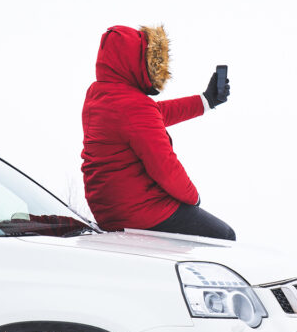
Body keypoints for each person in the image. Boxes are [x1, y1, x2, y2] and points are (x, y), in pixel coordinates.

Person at [81, 25, 235, 240]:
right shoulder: (134, 106)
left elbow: (153, 115)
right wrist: (193, 198)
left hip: (109, 208)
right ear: (133, 61)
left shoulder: (99, 95)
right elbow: (165, 167)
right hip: (139, 212)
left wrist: (205, 100)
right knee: (224, 236)